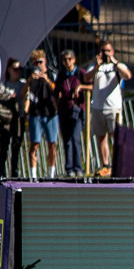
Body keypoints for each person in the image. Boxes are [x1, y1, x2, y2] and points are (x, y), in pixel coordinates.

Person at [89, 42, 127, 172]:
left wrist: (115, 62)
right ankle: (105, 165)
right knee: (101, 137)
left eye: (108, 51)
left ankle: (119, 164)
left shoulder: (118, 66)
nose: (105, 53)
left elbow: (128, 75)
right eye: (103, 51)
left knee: (116, 137)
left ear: (112, 51)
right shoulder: (95, 66)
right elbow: (86, 78)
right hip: (98, 107)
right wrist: (97, 66)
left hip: (113, 107)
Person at [22, 53, 57, 176]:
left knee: (52, 144)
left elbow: (57, 91)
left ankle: (51, 173)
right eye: (35, 63)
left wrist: (47, 79)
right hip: (35, 113)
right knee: (34, 144)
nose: (38, 65)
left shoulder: (52, 74)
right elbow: (23, 94)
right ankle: (33, 175)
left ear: (45, 61)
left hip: (50, 113)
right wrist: (29, 80)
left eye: (40, 62)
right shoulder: (30, 76)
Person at [54, 48, 87, 176]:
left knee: (75, 138)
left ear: (74, 59)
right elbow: (55, 94)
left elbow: (91, 86)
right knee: (67, 140)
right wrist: (57, 108)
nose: (67, 62)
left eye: (70, 59)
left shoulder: (80, 73)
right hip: (64, 111)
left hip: (77, 111)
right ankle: (69, 169)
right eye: (65, 59)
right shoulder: (61, 76)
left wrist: (80, 87)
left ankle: (78, 167)